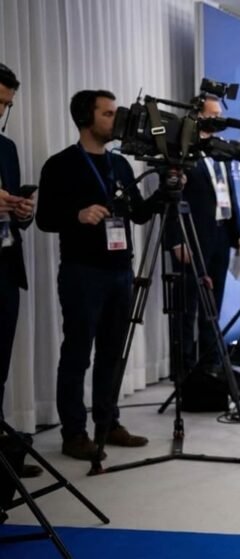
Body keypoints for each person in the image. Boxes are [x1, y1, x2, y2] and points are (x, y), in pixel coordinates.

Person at [36, 90, 156, 460]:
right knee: (77, 354)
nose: (115, 120)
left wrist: (166, 191)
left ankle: (108, 423)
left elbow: (137, 214)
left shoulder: (120, 165)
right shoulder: (60, 165)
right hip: (81, 273)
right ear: (86, 119)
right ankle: (74, 433)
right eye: (108, 114)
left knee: (112, 354)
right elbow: (43, 219)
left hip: (121, 271)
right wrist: (78, 215)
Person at [164, 95, 240, 387]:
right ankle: (182, 370)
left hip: (220, 239)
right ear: (198, 115)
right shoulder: (181, 150)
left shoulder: (221, 152)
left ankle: (209, 364)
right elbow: (171, 200)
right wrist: (174, 241)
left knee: (213, 306)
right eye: (213, 114)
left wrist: (239, 234)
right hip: (190, 239)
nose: (219, 119)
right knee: (187, 308)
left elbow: (229, 197)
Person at [0, 63, 42, 478]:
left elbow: (12, 211)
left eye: (6, 105)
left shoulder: (6, 148)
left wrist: (23, 211)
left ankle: (2, 463)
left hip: (5, 270)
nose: (0, 111)